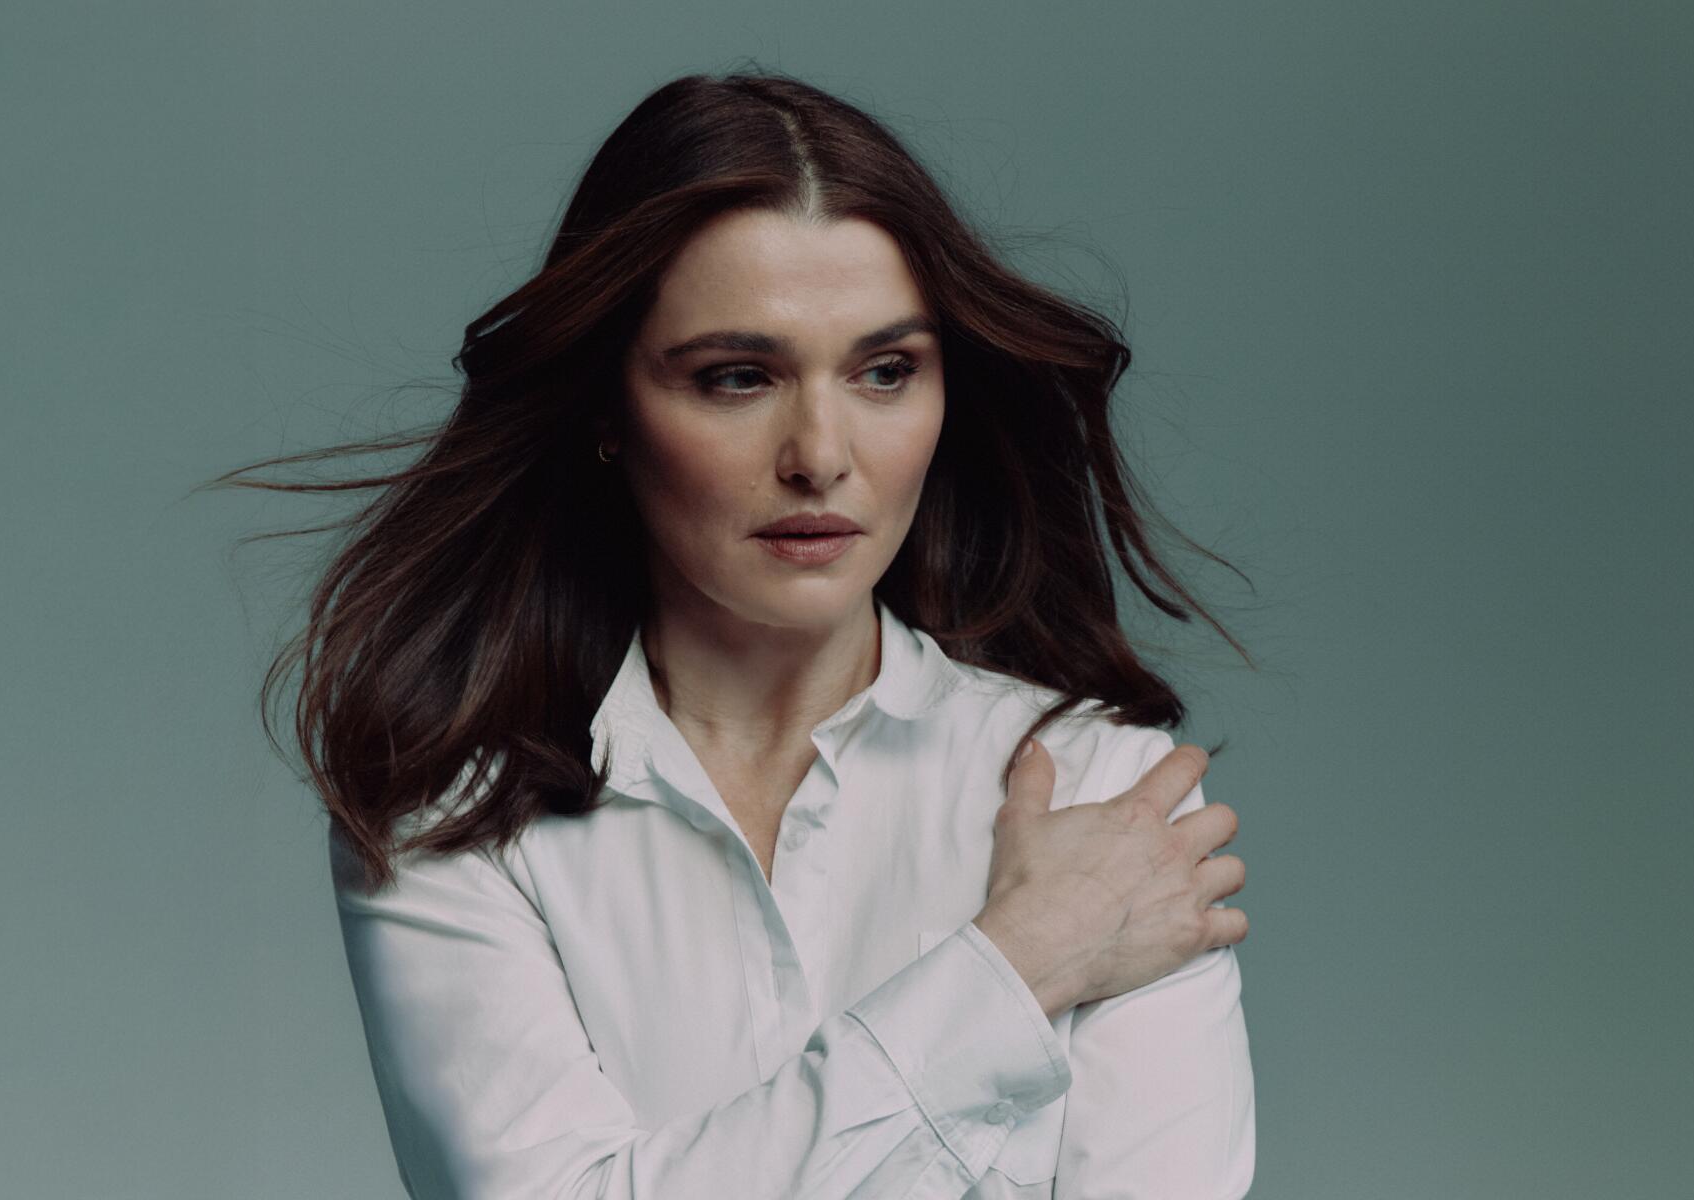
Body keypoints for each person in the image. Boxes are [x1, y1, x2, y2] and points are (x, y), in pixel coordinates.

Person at [217, 68, 1256, 1198]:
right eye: (737, 378)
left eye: (884, 371)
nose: (820, 452)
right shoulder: (451, 814)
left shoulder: (1102, 796)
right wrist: (1019, 965)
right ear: (608, 409)